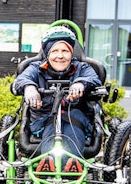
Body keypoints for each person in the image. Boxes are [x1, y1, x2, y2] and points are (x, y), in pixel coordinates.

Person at [10, 25, 102, 172]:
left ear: (71, 54)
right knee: (53, 123)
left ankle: (71, 163)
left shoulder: (82, 68)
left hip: (76, 118)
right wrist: (30, 88)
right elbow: (21, 80)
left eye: (65, 51)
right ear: (47, 53)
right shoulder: (35, 68)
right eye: (55, 51)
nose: (60, 56)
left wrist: (81, 83)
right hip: (45, 118)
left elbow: (94, 79)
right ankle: (48, 163)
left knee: (72, 120)